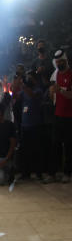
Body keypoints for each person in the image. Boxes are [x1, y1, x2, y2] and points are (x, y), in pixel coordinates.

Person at [51, 49, 72, 182]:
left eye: (61, 61)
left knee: (69, 145)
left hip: (69, 116)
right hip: (57, 114)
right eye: (57, 62)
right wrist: (52, 92)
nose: (59, 64)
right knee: (56, 144)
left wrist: (61, 91)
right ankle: (55, 172)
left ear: (65, 61)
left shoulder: (70, 74)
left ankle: (67, 173)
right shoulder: (56, 74)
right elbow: (53, 94)